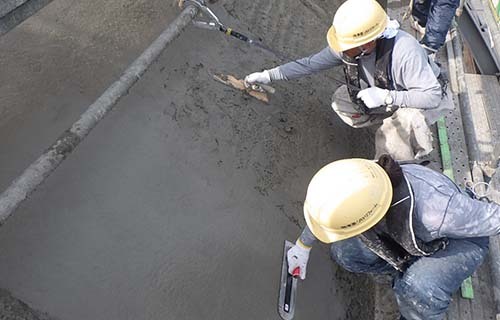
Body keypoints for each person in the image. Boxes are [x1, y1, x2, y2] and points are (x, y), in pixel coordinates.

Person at [287, 155, 499, 319]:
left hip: (458, 240)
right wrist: (302, 246)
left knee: (418, 287)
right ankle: (403, 271)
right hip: (408, 230)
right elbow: (329, 207)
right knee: (345, 253)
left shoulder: (439, 210)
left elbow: (494, 219)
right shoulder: (364, 176)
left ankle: (415, 307)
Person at [245, 0, 453, 160]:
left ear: (369, 42)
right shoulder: (348, 46)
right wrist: (269, 75)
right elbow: (309, 64)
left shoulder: (405, 52)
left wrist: (387, 97)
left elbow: (432, 96)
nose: (342, 49)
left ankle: (400, 156)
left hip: (421, 100)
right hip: (386, 90)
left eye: (348, 45)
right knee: (342, 100)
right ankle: (385, 122)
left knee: (403, 127)